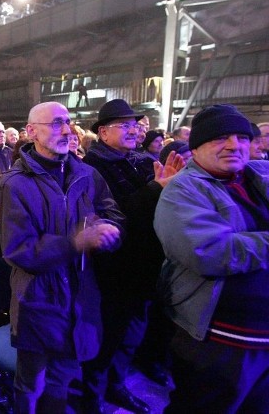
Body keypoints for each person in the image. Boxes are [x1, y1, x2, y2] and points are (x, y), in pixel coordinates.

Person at [0, 102, 124, 413]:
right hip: (38, 301)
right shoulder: (16, 184)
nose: (66, 130)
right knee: (32, 383)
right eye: (56, 123)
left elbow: (113, 213)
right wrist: (74, 243)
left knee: (63, 378)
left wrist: (109, 230)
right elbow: (18, 250)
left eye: (67, 122)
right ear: (32, 132)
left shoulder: (87, 174)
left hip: (80, 296)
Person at [154, 104, 269, 413]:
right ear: (197, 147)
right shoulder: (183, 190)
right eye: (220, 138)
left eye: (242, 138)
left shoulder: (257, 176)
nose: (234, 145)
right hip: (219, 340)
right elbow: (210, 252)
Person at [82, 99, 184, 414]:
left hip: (146, 263)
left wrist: (167, 189)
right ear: (102, 131)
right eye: (123, 125)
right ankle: (91, 396)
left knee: (134, 331)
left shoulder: (140, 160)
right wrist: (155, 188)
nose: (133, 129)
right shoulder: (91, 168)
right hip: (114, 269)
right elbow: (112, 217)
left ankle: (116, 383)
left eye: (134, 124)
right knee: (108, 335)